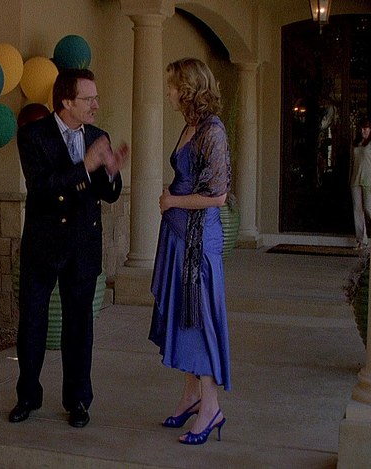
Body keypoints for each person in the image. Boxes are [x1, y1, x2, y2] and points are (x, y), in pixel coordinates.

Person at [9, 68, 129, 428]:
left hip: (82, 247)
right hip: (43, 247)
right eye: (88, 99)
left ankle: (78, 400)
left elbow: (108, 194)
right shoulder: (32, 135)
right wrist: (86, 167)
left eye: (95, 98)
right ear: (66, 101)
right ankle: (27, 396)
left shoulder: (98, 136)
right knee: (33, 324)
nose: (96, 105)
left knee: (79, 328)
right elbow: (43, 189)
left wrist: (111, 172)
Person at [149, 58, 231, 445]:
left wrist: (173, 202)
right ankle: (191, 397)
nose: (167, 92)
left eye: (172, 85)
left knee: (200, 320)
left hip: (199, 242)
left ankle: (211, 407)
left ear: (188, 89)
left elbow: (218, 196)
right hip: (178, 236)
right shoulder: (189, 126)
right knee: (185, 317)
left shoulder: (213, 131)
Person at [350, 119, 371, 249]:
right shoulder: (356, 144)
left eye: (365, 128)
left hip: (368, 180)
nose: (363, 131)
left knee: (368, 208)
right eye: (361, 129)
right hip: (355, 179)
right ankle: (361, 239)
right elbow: (352, 162)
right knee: (357, 209)